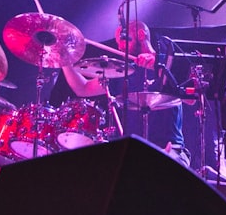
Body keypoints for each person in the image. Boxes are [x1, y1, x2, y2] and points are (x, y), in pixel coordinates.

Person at [54, 20, 191, 167]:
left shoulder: (169, 63)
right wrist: (64, 61)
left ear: (140, 34)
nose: (120, 46)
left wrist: (157, 65)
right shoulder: (122, 71)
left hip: (170, 150)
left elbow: (191, 100)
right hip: (133, 152)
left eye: (124, 40)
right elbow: (83, 88)